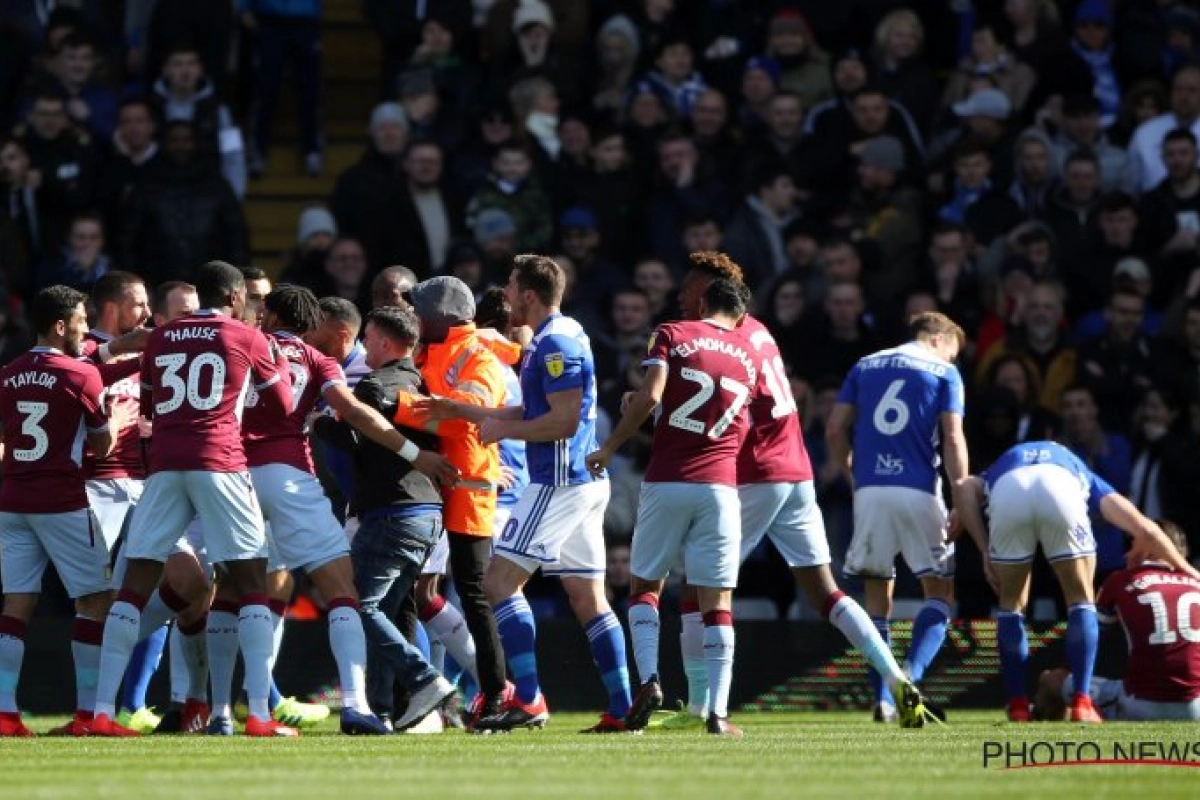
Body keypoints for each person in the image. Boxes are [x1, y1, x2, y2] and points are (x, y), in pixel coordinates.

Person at [653, 252, 931, 732]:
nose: (681, 297)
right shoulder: (759, 330)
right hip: (795, 469)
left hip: (755, 473)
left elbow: (721, 417)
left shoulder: (724, 339)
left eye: (690, 288)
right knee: (825, 590)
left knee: (697, 589)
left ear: (713, 290)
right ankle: (898, 679)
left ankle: (701, 707)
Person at [422, 256, 631, 733]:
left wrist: (498, 427)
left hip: (557, 481)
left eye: (512, 288)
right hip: (583, 483)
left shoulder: (554, 343)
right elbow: (537, 408)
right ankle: (623, 706)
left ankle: (530, 698)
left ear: (530, 295)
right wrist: (468, 412)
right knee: (587, 597)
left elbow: (563, 420)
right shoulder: (563, 333)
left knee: (497, 584)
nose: (506, 297)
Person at [87, 261, 294, 737]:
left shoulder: (161, 337)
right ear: (237, 297)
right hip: (220, 461)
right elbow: (281, 406)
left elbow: (152, 405)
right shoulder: (246, 336)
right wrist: (277, 362)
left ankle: (100, 711)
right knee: (250, 583)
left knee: (135, 583)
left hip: (163, 465)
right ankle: (259, 714)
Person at [244, 285, 456, 734]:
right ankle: (373, 704)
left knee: (239, 593)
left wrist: (322, 423)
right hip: (381, 500)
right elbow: (364, 416)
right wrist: (419, 456)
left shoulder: (245, 345)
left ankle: (238, 711)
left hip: (238, 475)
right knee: (366, 599)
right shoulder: (406, 376)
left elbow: (358, 420)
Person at [586, 276, 757, 738]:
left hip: (667, 478)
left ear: (702, 302)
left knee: (646, 584)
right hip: (721, 485)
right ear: (739, 315)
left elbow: (654, 394)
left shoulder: (673, 333)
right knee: (716, 600)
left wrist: (612, 443)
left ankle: (650, 682)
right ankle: (718, 714)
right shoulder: (749, 354)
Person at [953, 441, 1199, 722]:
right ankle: (1082, 701)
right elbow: (1145, 529)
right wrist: (1186, 569)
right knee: (1080, 601)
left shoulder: (998, 469)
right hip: (1062, 490)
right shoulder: (1078, 470)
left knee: (1011, 607)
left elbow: (961, 488)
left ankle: (1018, 705)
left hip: (1009, 491)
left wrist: (984, 549)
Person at [311, 304, 458, 732]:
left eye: (369, 339)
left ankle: (424, 678)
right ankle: (380, 710)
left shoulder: (374, 387)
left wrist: (318, 422)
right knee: (385, 614)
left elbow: (351, 438)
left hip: (390, 511)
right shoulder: (426, 384)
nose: (364, 348)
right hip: (429, 513)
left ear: (383, 343)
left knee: (358, 607)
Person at [825, 312, 970, 723]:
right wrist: (960, 492)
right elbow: (953, 436)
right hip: (919, 488)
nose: (954, 360)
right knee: (939, 592)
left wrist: (853, 472)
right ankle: (909, 676)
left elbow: (835, 428)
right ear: (939, 338)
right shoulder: (943, 372)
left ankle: (883, 700)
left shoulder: (865, 364)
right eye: (954, 352)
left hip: (870, 490)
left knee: (876, 600)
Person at [0, 286, 120, 737]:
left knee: (17, 603)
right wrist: (118, 424)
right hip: (62, 502)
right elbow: (101, 443)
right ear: (59, 326)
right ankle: (88, 715)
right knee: (94, 601)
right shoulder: (81, 375)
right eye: (82, 321)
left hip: (12, 501)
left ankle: (5, 713)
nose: (86, 329)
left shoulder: (7, 374)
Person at [391, 276, 510, 728]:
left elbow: (465, 416)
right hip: (426, 487)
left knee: (473, 594)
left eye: (420, 309)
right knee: (414, 592)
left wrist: (394, 407)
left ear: (443, 315)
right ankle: (421, 697)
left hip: (466, 488)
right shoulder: (428, 351)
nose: (414, 317)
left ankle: (497, 694)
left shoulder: (477, 356)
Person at [1035, 521, 1200, 721]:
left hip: (1142, 704)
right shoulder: (1196, 583)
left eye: (1132, 546)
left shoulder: (1120, 580)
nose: (1126, 554)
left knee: (1051, 680)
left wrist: (1066, 671)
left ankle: (1057, 720)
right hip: (1195, 708)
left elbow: (1090, 637)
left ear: (1149, 549)